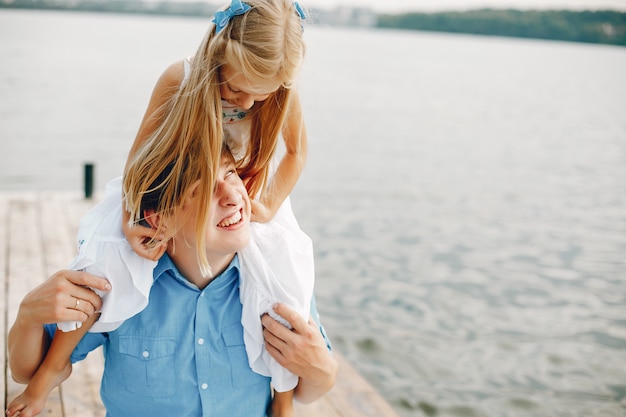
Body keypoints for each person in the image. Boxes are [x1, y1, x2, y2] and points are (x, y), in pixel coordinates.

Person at [8, 0, 320, 415]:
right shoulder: (183, 76)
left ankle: (282, 405)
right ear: (220, 51)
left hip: (242, 193)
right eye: (236, 89)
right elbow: (139, 158)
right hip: (167, 184)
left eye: (258, 96)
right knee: (107, 261)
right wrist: (132, 221)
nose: (245, 103)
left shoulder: (279, 90)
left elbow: (296, 154)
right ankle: (47, 377)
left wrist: (266, 207)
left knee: (285, 276)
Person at [7, 146, 337, 417]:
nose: (233, 197)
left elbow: (306, 390)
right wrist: (27, 317)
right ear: (159, 218)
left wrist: (324, 369)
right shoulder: (120, 281)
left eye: (231, 174)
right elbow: (26, 372)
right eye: (205, 189)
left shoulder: (277, 278)